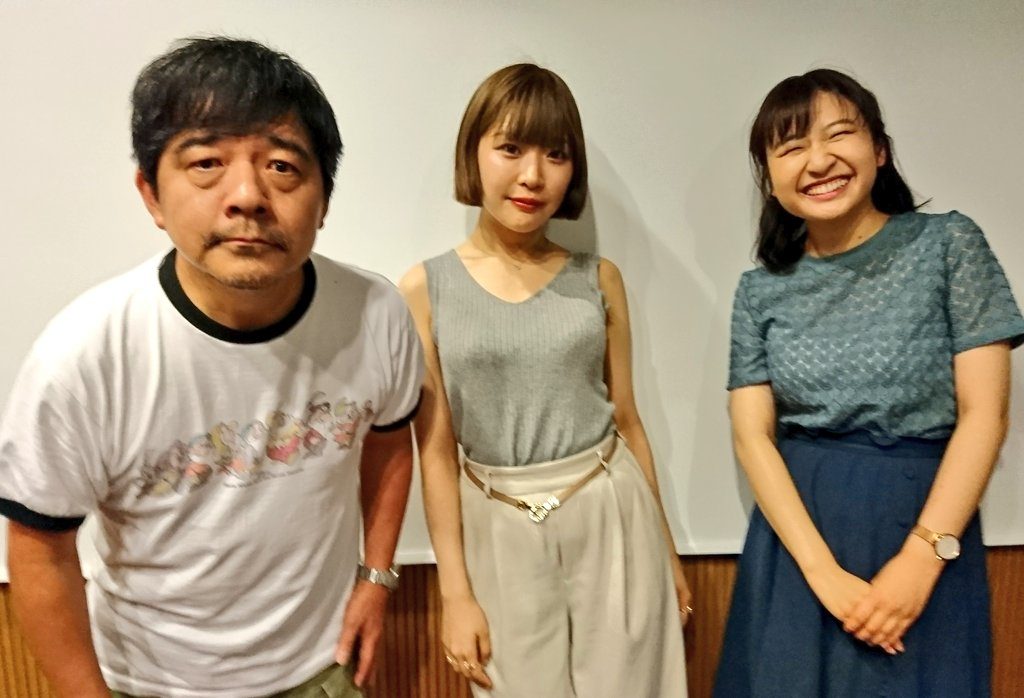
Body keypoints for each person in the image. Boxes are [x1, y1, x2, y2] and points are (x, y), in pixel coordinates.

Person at [0, 37, 423, 698]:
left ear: (324, 198)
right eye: (206, 163)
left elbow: (391, 442)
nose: (248, 195)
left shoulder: (375, 313)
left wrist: (377, 577)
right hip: (151, 684)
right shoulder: (83, 360)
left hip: (324, 671)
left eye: (282, 166)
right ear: (151, 194)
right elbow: (38, 549)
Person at [715, 68, 1024, 697]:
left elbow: (985, 415)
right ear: (769, 179)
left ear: (879, 150)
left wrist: (921, 559)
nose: (818, 161)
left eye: (838, 135)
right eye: (791, 147)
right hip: (798, 543)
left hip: (924, 526)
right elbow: (753, 438)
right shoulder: (759, 290)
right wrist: (821, 573)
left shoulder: (949, 245)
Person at [400, 63, 690, 697]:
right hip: (496, 519)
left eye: (555, 155)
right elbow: (437, 451)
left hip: (612, 510)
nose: (533, 175)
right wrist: (454, 594)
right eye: (511, 148)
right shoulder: (425, 288)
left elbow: (628, 420)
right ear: (473, 153)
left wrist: (667, 549)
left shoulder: (599, 278)